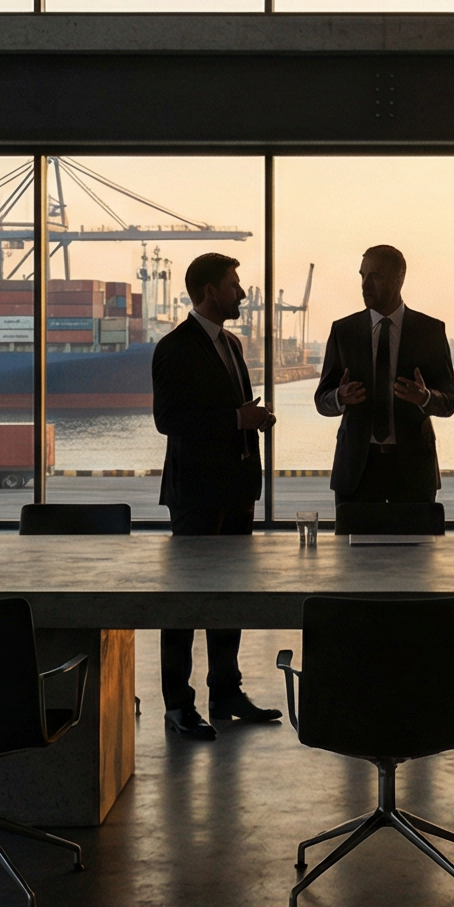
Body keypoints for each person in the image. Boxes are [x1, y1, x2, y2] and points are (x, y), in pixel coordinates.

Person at [148, 251, 282, 739]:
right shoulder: (174, 347)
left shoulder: (232, 345)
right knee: (183, 603)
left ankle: (226, 692)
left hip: (237, 489)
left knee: (229, 598)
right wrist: (235, 420)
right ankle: (178, 704)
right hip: (197, 495)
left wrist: (252, 421)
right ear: (209, 292)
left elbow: (233, 411)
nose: (242, 292)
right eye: (234, 284)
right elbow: (169, 420)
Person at [313, 245, 454, 507]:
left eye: (375, 276)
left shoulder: (430, 331)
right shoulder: (343, 331)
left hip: (414, 472)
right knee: (352, 548)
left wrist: (425, 397)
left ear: (399, 279)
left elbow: (450, 401)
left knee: (415, 547)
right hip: (356, 471)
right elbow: (321, 399)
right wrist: (339, 397)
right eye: (362, 275)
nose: (365, 284)